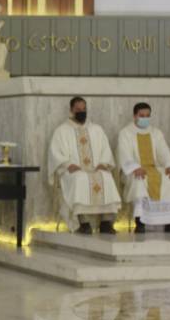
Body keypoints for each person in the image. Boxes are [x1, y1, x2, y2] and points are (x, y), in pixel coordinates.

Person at [48, 97, 122, 234]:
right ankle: (82, 222)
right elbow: (56, 153)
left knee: (106, 177)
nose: (82, 112)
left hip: (95, 169)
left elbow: (105, 150)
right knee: (80, 178)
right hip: (73, 170)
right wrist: (68, 164)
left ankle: (106, 222)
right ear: (71, 110)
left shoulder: (96, 129)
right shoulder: (62, 131)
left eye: (84, 109)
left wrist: (102, 163)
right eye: (78, 110)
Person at [118, 102, 170, 233]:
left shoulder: (156, 133)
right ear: (134, 116)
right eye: (141, 115)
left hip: (154, 168)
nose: (145, 118)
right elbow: (124, 154)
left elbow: (164, 152)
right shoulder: (125, 133)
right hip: (135, 170)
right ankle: (140, 223)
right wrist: (134, 168)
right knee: (139, 180)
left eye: (147, 116)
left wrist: (169, 166)